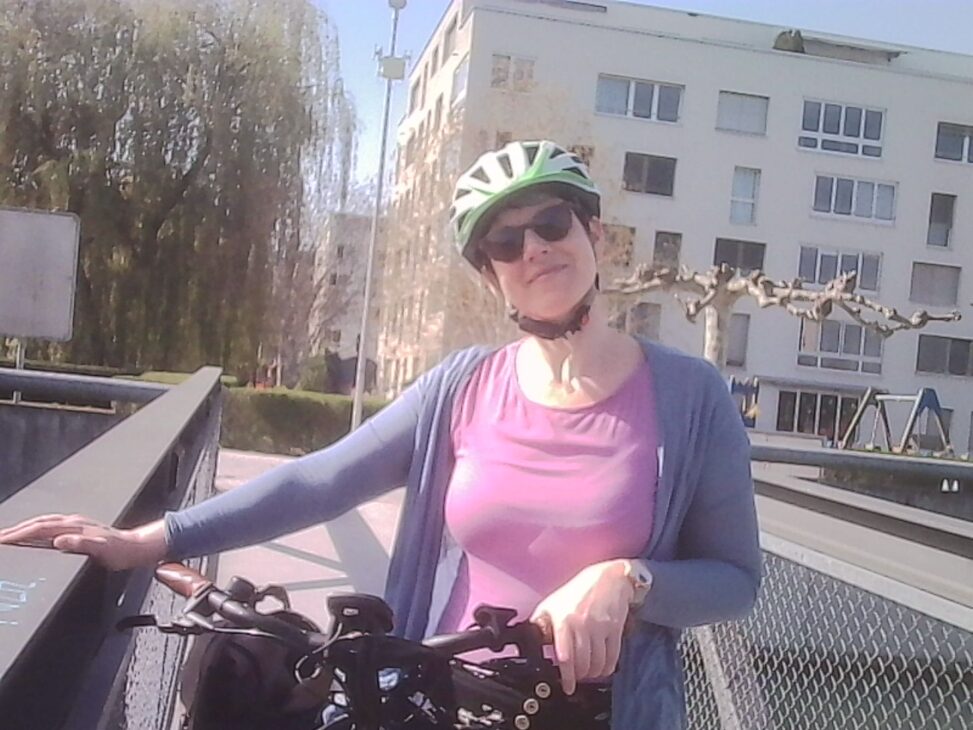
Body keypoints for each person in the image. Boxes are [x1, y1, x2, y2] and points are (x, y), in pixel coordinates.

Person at [0, 140, 761, 728]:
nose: (533, 249)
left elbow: (734, 580)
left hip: (599, 712)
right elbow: (320, 479)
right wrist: (152, 539)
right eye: (503, 242)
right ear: (489, 276)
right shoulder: (462, 388)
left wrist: (628, 579)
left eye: (551, 222)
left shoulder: (689, 397)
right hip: (441, 698)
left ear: (594, 233)